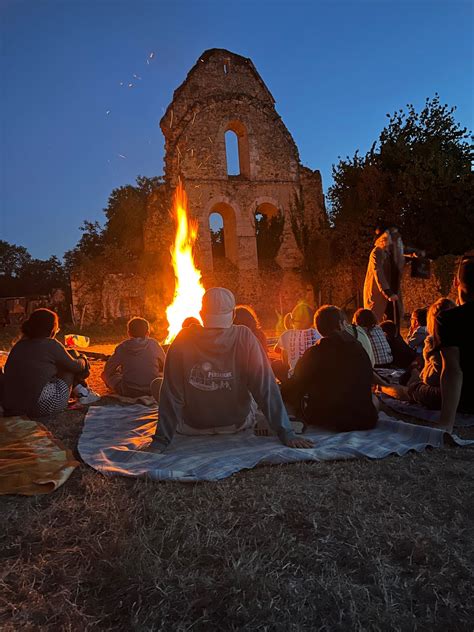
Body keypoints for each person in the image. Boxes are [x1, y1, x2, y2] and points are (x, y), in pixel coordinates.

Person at [145, 287, 313, 452]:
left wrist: (160, 441)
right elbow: (265, 387)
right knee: (255, 392)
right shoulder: (245, 336)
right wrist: (287, 434)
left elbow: (171, 393)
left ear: (202, 314)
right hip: (236, 424)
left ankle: (266, 421)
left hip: (190, 427)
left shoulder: (182, 339)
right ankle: (270, 422)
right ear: (233, 315)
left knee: (158, 384)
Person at [281, 305, 378, 432]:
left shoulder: (314, 352)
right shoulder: (358, 347)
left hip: (327, 418)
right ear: (340, 324)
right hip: (365, 419)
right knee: (375, 399)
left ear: (318, 328)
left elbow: (295, 386)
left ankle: (291, 418)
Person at [2, 308, 99, 418]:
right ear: (51, 328)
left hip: (14, 406)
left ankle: (82, 391)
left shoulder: (19, 345)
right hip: (40, 407)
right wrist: (84, 359)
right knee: (71, 359)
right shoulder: (50, 344)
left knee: (68, 355)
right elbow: (76, 366)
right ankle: (83, 393)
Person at [378, 298, 456, 410]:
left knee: (413, 388)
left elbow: (431, 379)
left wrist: (417, 374)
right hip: (464, 394)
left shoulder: (433, 341)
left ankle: (382, 387)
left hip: (443, 395)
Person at [436, 256, 474, 431]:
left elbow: (452, 369)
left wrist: (446, 423)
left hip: (465, 400)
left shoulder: (448, 318)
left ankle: (386, 388)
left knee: (417, 390)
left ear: (455, 282)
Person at [101, 317, 165, 397]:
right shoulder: (154, 344)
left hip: (129, 391)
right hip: (152, 389)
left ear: (129, 333)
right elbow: (166, 364)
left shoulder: (122, 347)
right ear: (148, 333)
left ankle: (114, 389)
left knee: (104, 374)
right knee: (161, 374)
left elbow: (108, 369)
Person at [273, 302, 321, 381]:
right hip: (314, 378)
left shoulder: (287, 334)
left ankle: (286, 383)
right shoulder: (318, 334)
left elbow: (276, 349)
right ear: (312, 322)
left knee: (276, 363)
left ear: (292, 321)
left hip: (294, 378)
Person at [363, 228, 399, 324]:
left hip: (385, 296)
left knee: (387, 324)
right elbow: (378, 272)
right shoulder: (377, 252)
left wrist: (411, 254)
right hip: (378, 295)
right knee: (374, 323)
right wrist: (387, 292)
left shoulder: (386, 252)